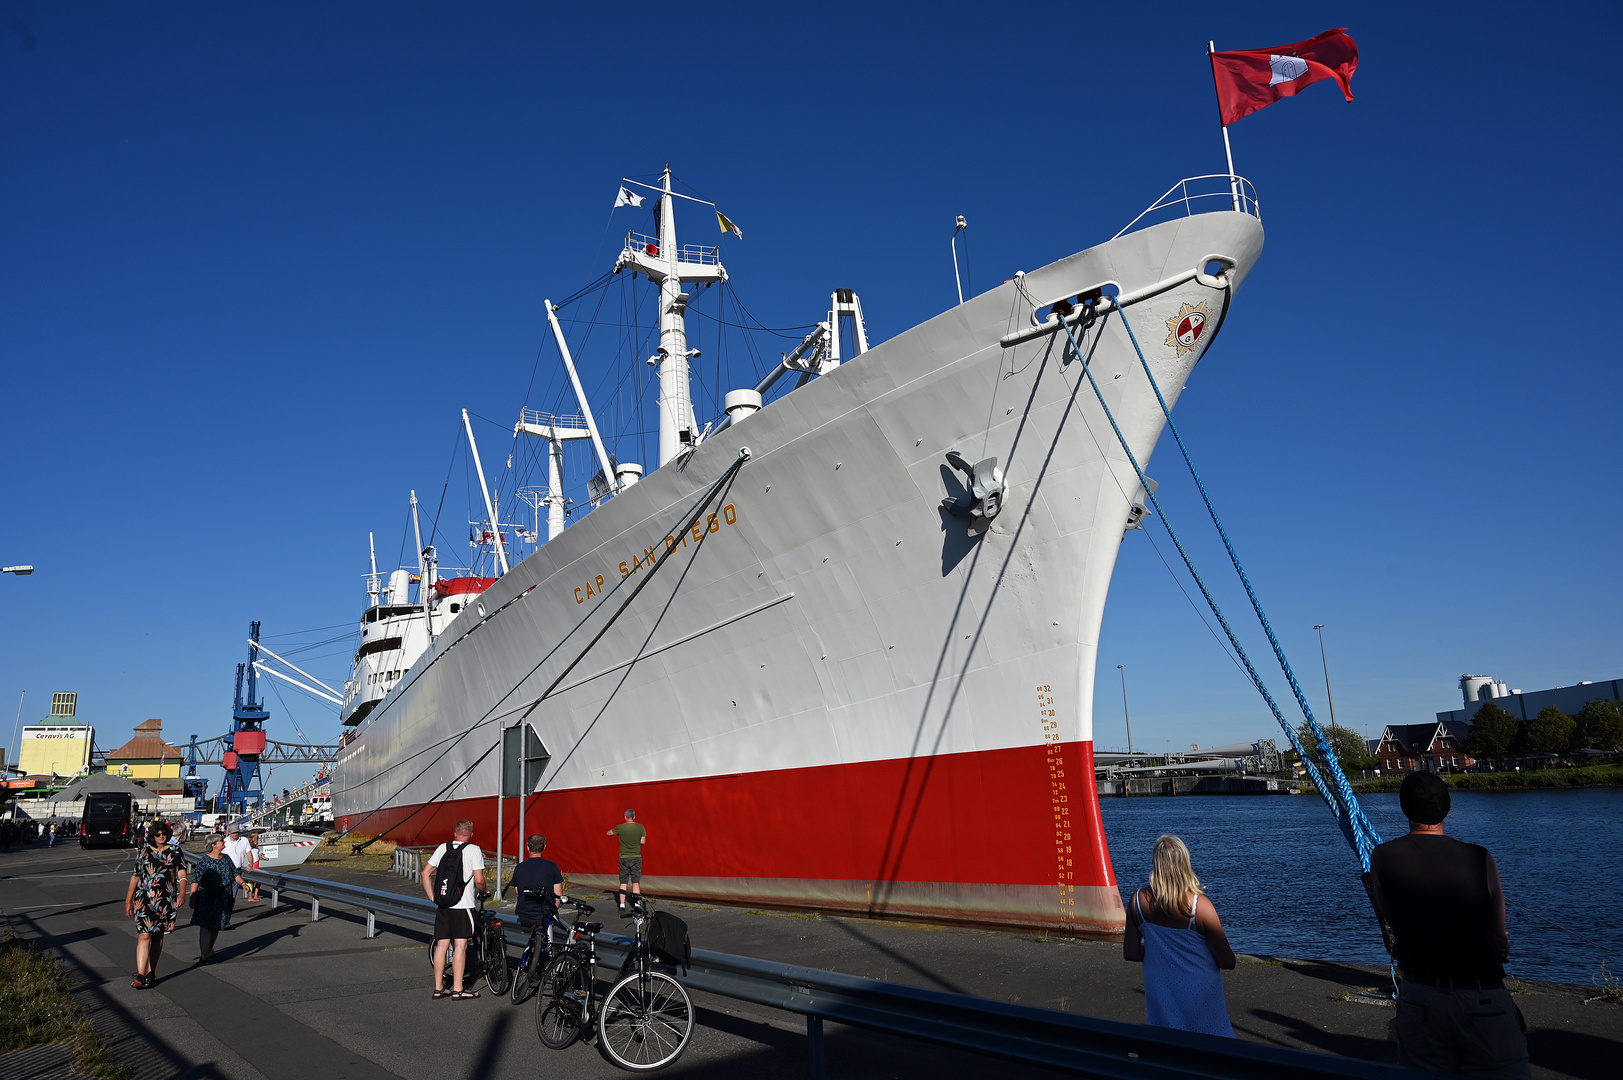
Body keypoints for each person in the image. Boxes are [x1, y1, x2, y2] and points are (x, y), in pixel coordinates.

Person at [1367, 771, 1529, 1079]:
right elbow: (1498, 922)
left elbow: (1389, 915)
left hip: (1421, 996)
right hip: (1482, 997)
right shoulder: (1478, 856)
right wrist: (1498, 938)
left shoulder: (1383, 856)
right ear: (1447, 807)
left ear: (1405, 808)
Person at [1122, 834, 1236, 1037]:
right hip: (1200, 993)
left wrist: (1161, 957)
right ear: (1185, 862)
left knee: (1166, 1047)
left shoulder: (1138, 902)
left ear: (1156, 863)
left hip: (1161, 991)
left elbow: (1130, 952)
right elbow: (1228, 961)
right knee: (1213, 1047)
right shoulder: (1199, 907)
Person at [420, 819, 486, 999]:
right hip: (462, 905)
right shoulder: (474, 850)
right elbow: (479, 880)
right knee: (461, 945)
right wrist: (485, 891)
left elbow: (425, 873)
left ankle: (439, 988)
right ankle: (458, 989)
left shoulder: (443, 848)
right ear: (471, 834)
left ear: (454, 833)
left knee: (442, 945)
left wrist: (433, 896)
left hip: (443, 903)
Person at [124, 821, 187, 989]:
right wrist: (128, 901)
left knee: (158, 935)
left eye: (164, 834)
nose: (161, 837)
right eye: (158, 834)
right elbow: (135, 876)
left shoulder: (175, 851)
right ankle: (140, 974)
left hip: (166, 899)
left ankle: (151, 973)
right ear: (152, 836)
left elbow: (182, 872)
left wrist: (182, 893)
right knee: (144, 935)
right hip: (144, 898)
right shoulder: (144, 851)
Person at [188, 833, 244, 964]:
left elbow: (236, 874)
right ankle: (203, 954)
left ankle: (209, 950)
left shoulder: (226, 858)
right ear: (213, 845)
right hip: (207, 896)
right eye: (221, 841)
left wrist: (243, 884)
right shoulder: (204, 861)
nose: (224, 842)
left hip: (222, 896)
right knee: (206, 926)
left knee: (217, 925)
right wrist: (192, 897)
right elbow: (196, 880)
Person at [509, 834, 564, 928]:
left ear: (527, 847)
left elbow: (518, 892)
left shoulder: (519, 867)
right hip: (544, 915)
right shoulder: (552, 866)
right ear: (544, 847)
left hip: (524, 915)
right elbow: (558, 895)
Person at [607, 808, 646, 911]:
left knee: (623, 882)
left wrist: (618, 833)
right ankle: (637, 905)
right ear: (634, 816)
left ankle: (622, 905)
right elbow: (643, 842)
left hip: (624, 858)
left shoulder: (620, 827)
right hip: (636, 857)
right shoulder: (640, 827)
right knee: (636, 882)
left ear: (625, 817)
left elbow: (609, 833)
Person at [221, 826, 251, 926]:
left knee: (232, 897)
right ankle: (221, 918)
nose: (235, 834)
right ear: (229, 833)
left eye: (237, 832)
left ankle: (226, 920)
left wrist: (250, 863)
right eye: (233, 833)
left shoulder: (244, 840)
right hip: (225, 872)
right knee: (224, 896)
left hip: (237, 871)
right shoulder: (224, 842)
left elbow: (248, 852)